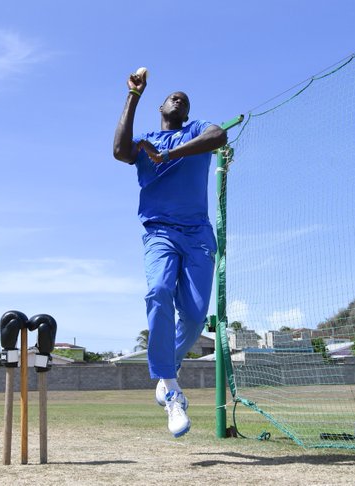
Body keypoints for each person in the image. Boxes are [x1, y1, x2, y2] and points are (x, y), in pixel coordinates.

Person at [113, 68, 227, 437]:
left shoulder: (196, 131)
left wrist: (169, 154)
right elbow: (119, 151)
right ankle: (171, 388)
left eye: (186, 100)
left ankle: (166, 374)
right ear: (161, 106)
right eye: (174, 97)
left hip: (197, 234)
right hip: (159, 230)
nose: (180, 100)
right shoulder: (145, 139)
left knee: (194, 318)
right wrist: (133, 96)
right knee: (159, 291)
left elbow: (219, 135)